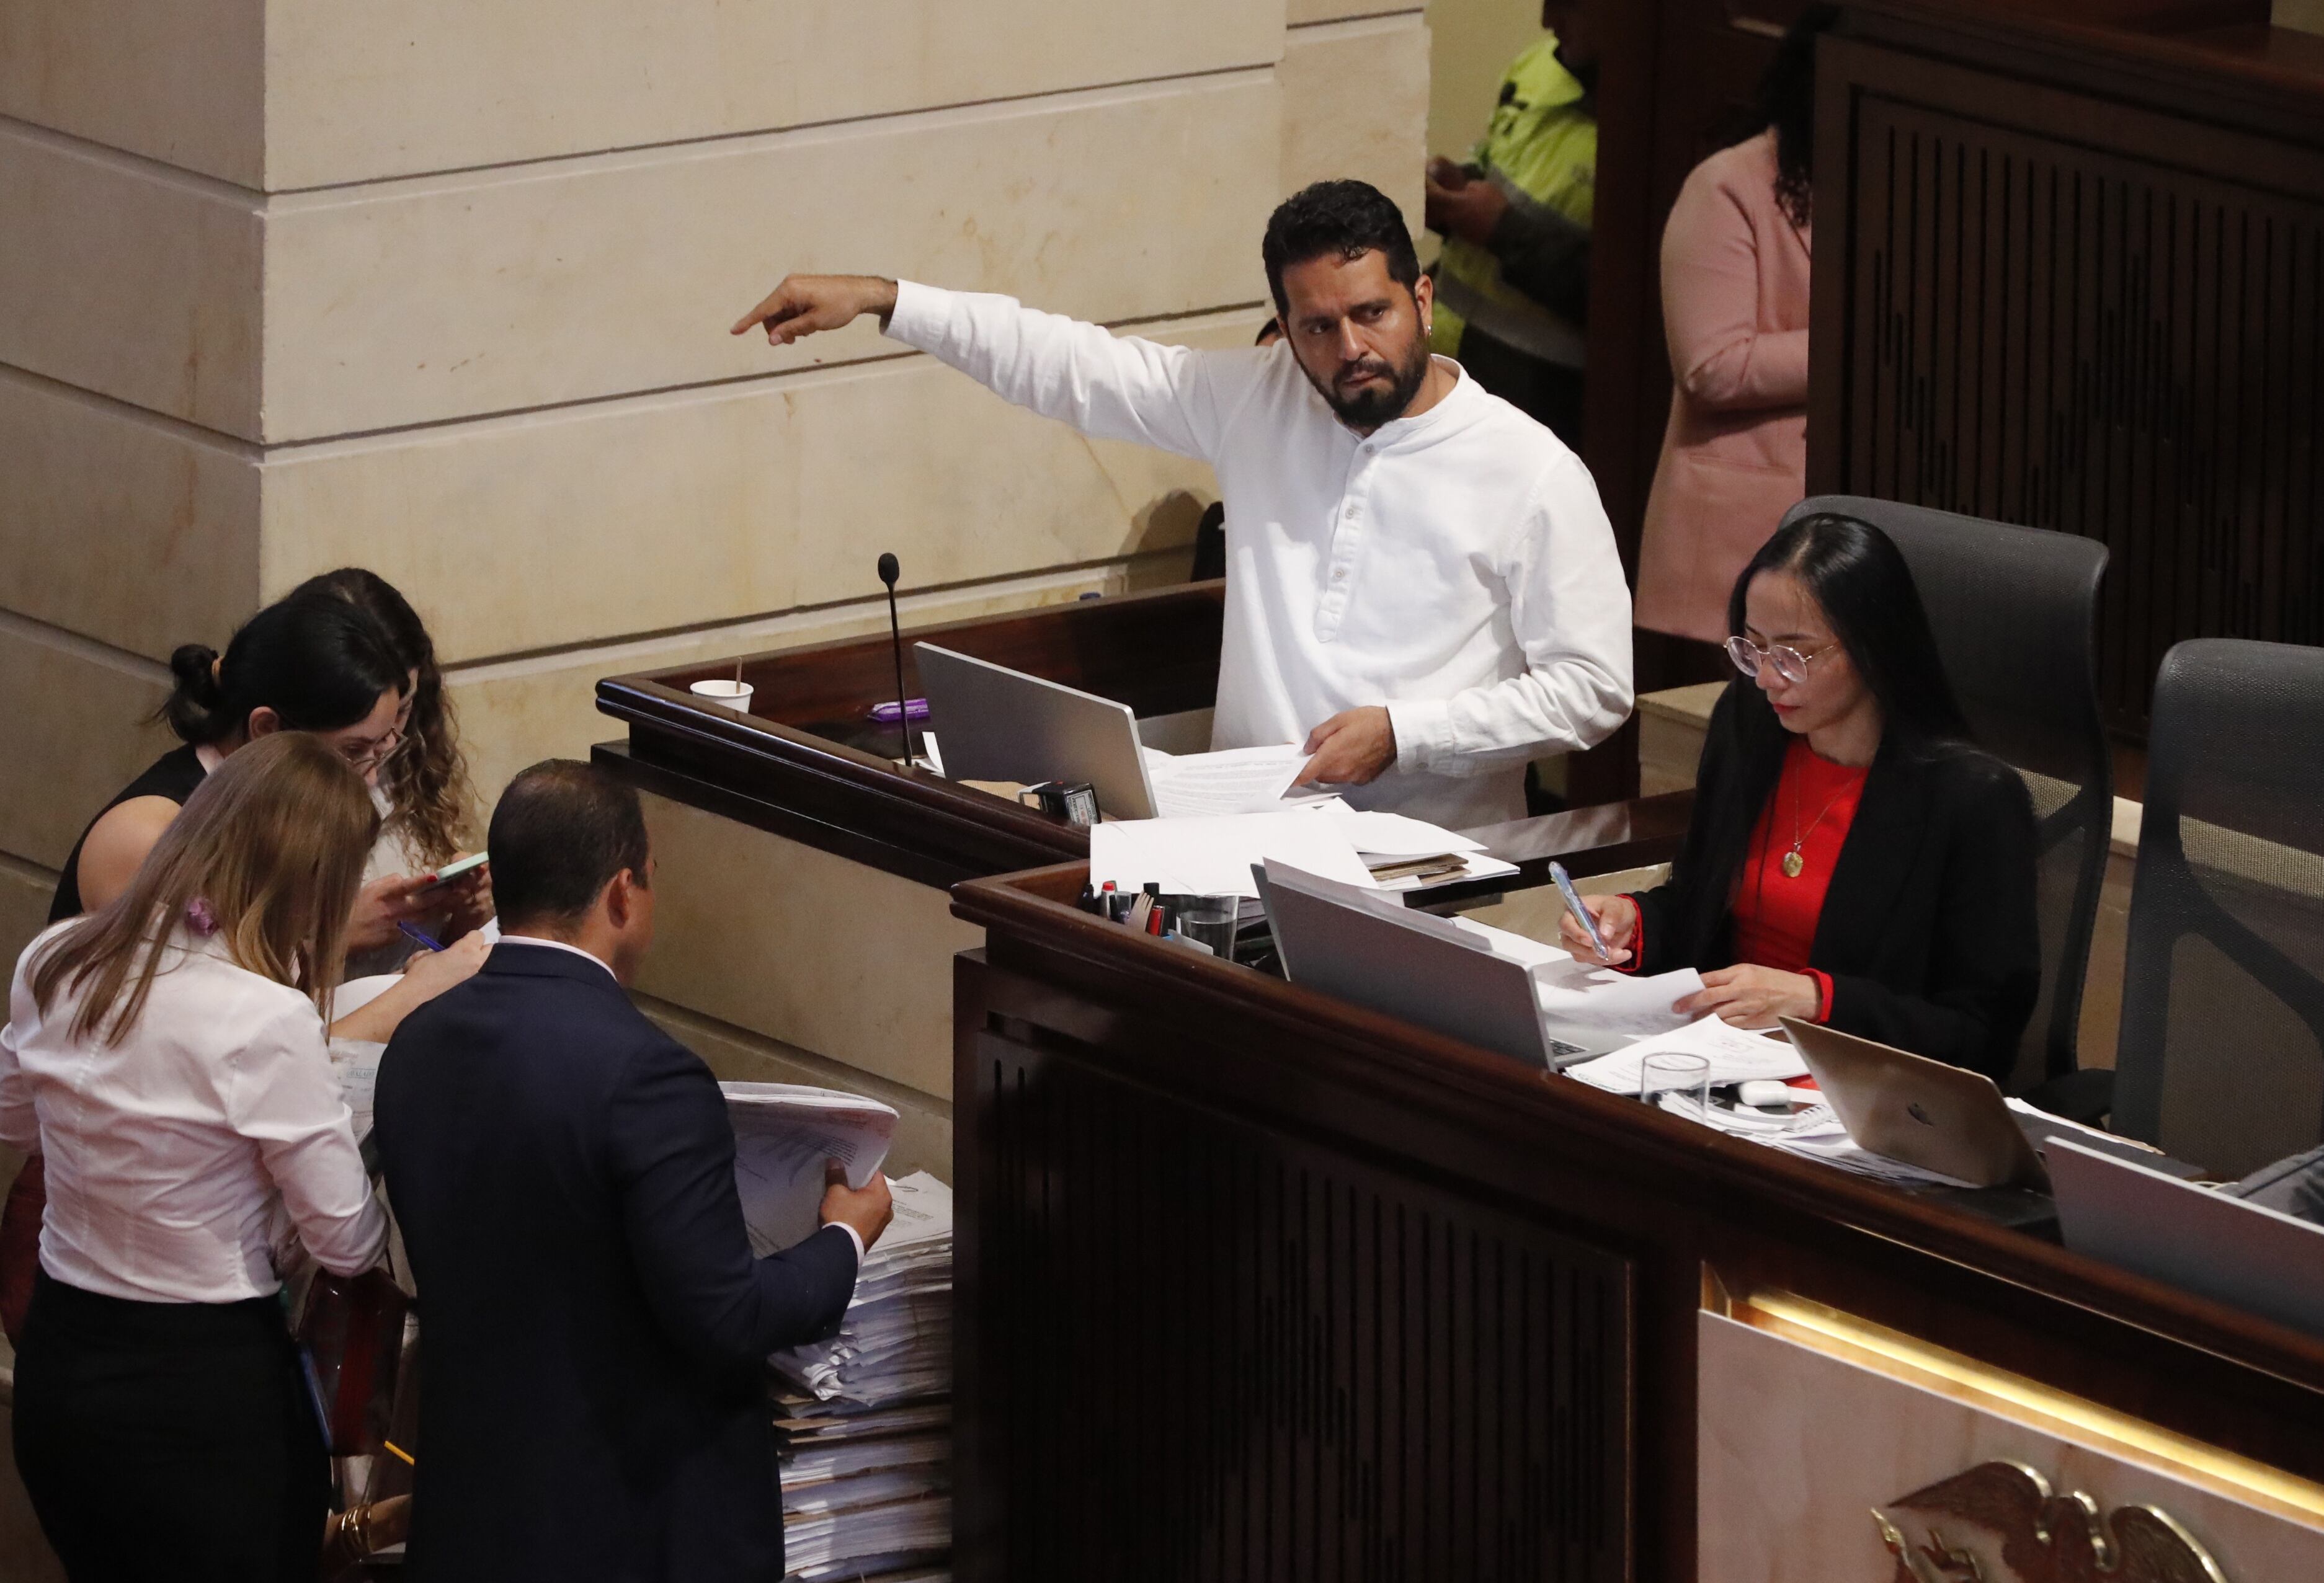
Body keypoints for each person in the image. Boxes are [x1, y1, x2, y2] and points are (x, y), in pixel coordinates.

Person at [731, 179, 1634, 830]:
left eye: (1372, 313)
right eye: (1315, 326)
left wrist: (1406, 733)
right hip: (1245, 841)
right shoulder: (1259, 397)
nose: (1349, 346)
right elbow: (1071, 365)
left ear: (1422, 299)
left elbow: (1594, 690)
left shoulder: (1531, 471)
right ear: (1282, 326)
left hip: (1436, 862)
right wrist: (888, 301)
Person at [373, 760, 891, 1582]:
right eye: (650, 881)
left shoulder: (415, 1046)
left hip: (472, 1509)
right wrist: (843, 1239)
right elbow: (726, 1316)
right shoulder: (649, 1076)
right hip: (626, 1524)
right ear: (622, 892)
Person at [1, 734, 481, 1581]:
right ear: (312, 885)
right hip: (205, 1392)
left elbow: (12, 1120)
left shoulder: (57, 961)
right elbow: (346, 1241)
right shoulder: (263, 1019)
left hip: (61, 1365)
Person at [1557, 514, 2039, 1081]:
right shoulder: (1748, 728)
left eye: (1792, 655)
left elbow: (1978, 1031)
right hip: (1719, 1061)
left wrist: (1816, 1000)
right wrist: (1632, 923)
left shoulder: (1969, 799)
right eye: (1752, 647)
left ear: (1871, 647)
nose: (1765, 678)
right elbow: (1699, 909)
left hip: (1857, 1089)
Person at [50, 589, 436, 956]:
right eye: (354, 752)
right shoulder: (147, 839)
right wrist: (339, 939)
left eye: (382, 746)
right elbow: (186, 1017)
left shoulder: (283, 806)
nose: (369, 779)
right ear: (266, 728)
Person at [1634, 7, 1838, 644]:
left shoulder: (1888, 184)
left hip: (1838, 542)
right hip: (1735, 547)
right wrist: (1852, 351)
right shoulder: (1728, 185)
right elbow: (1710, 366)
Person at [1423, 0, 1601, 445]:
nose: (1548, 21)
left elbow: (1625, 297)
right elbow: (1498, 171)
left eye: (1570, 6)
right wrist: (1455, 191)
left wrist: (1502, 232)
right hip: (1442, 367)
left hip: (1540, 403)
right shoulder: (1537, 66)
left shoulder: (1653, 124)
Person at [296, 569, 493, 968]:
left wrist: (471, 910)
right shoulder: (272, 798)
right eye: (357, 745)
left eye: (403, 711)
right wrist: (343, 937)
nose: (388, 743)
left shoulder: (412, 767)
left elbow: (436, 951)